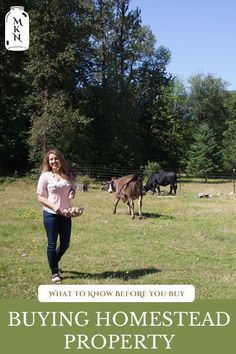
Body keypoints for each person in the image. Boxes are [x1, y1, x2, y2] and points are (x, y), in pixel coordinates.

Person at [37, 149, 77, 283]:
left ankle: (54, 261)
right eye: (51, 160)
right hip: (51, 214)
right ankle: (54, 272)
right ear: (48, 162)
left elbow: (73, 187)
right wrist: (54, 207)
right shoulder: (45, 176)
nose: (54, 161)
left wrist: (71, 193)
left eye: (56, 159)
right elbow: (40, 197)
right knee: (52, 244)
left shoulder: (68, 175)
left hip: (66, 213)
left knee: (65, 244)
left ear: (61, 159)